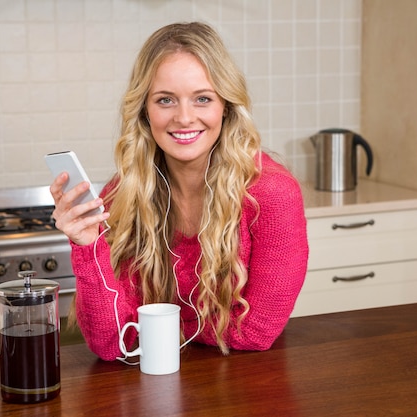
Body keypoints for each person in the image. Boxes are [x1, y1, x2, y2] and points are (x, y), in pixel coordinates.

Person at [49, 22, 308, 361]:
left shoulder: (271, 193)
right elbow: (113, 344)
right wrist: (87, 246)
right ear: (145, 110)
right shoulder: (123, 194)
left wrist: (154, 327)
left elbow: (255, 332)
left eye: (202, 99)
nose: (184, 118)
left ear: (225, 106)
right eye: (165, 100)